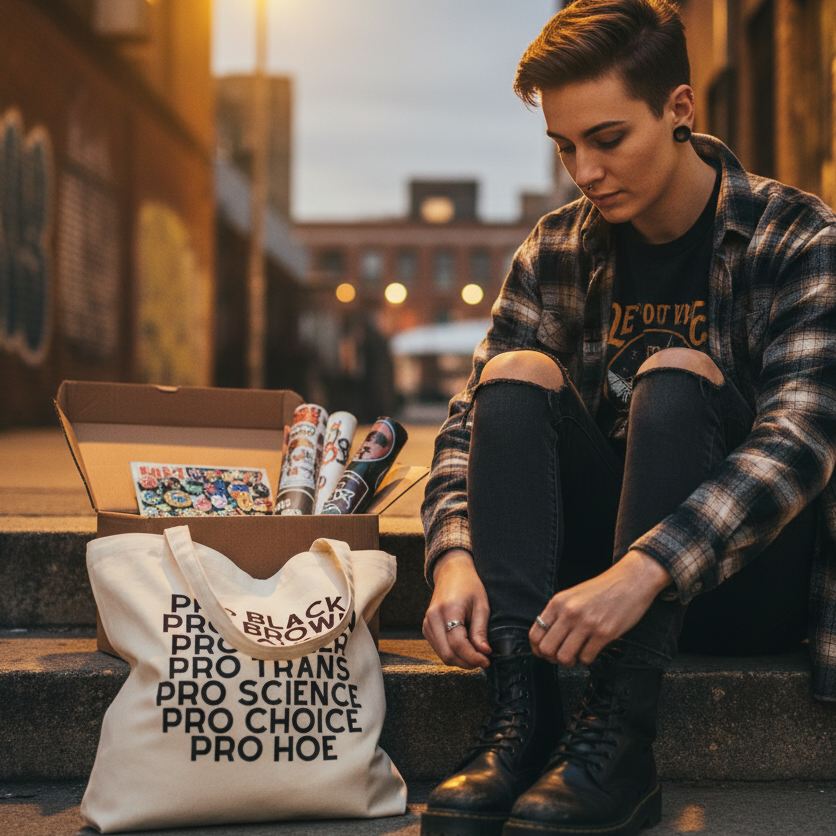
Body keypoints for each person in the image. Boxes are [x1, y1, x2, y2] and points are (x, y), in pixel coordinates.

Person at [419, 1, 836, 834]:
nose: (585, 169)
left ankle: (618, 739)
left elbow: (801, 439)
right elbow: (470, 426)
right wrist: (452, 554)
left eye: (607, 139)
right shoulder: (556, 248)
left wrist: (646, 566)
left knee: (677, 375)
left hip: (743, 582)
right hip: (585, 589)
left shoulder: (796, 236)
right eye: (565, 146)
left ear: (679, 110)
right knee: (512, 373)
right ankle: (519, 721)